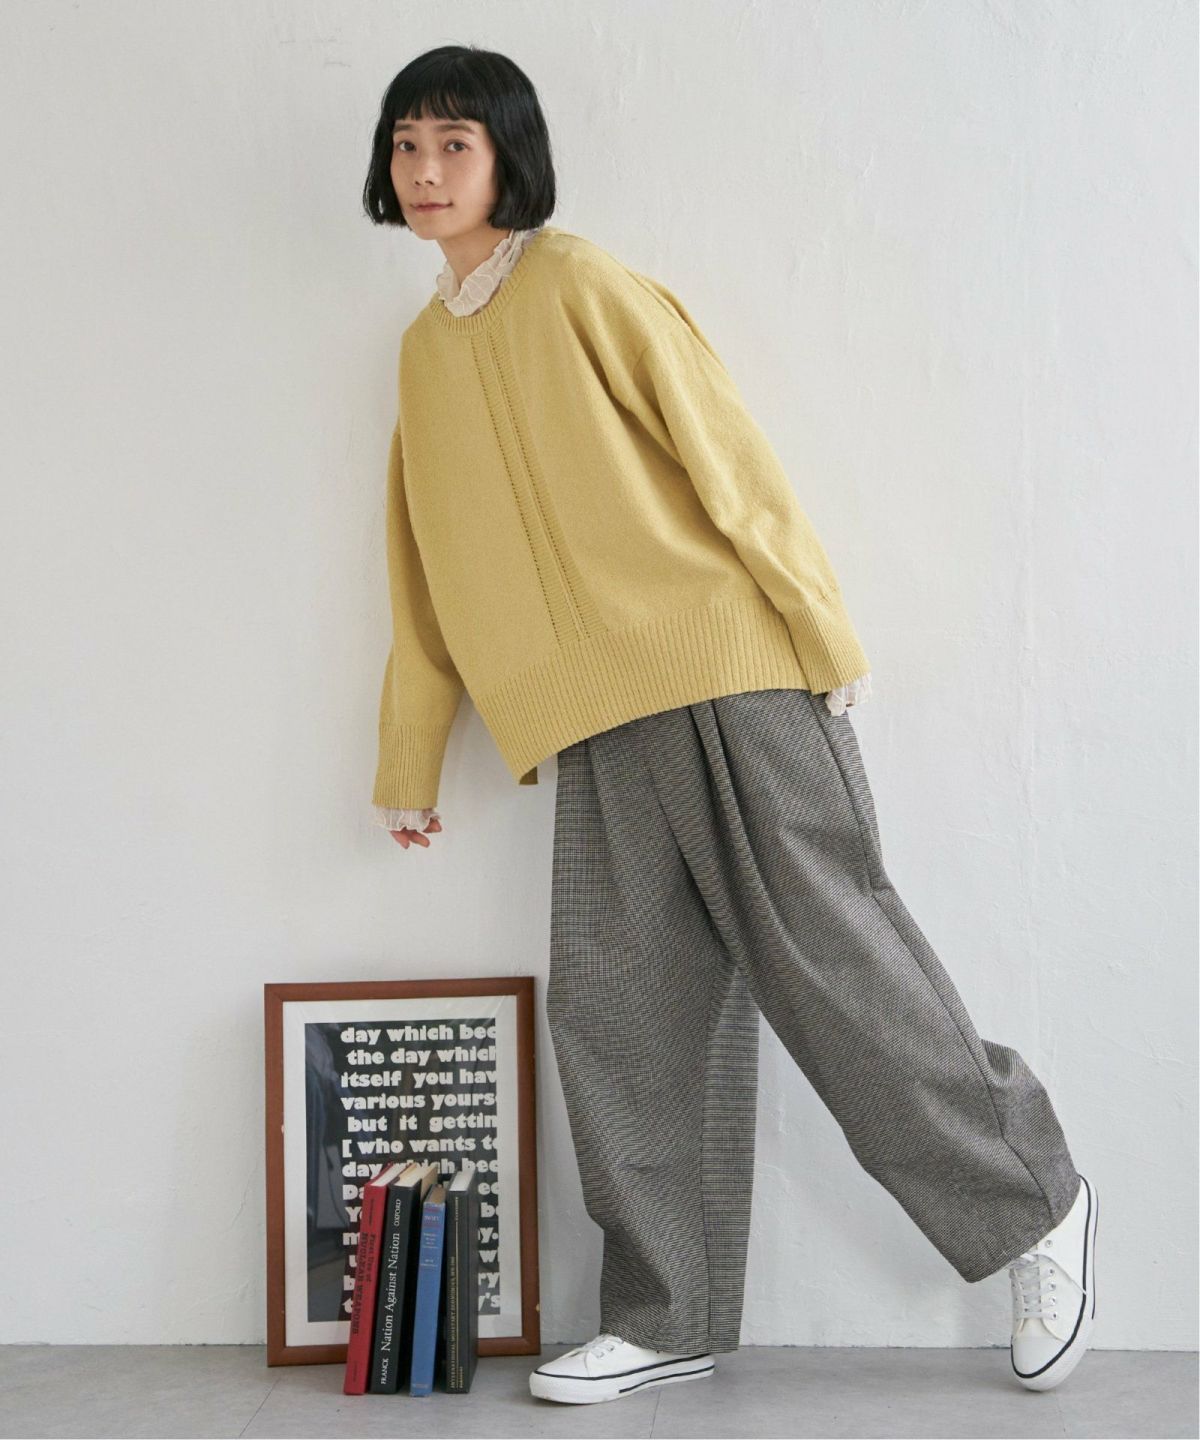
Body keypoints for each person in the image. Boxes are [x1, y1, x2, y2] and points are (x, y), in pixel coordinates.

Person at [361, 44, 1099, 1406]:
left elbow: (725, 451)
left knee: (833, 968)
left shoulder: (581, 283)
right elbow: (423, 568)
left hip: (726, 676)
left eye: (454, 142)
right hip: (591, 722)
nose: (425, 169)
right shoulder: (420, 357)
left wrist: (819, 630)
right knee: (617, 1014)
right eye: (407, 144)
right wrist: (411, 754)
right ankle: (666, 1313)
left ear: (510, 155)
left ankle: (1034, 1205)